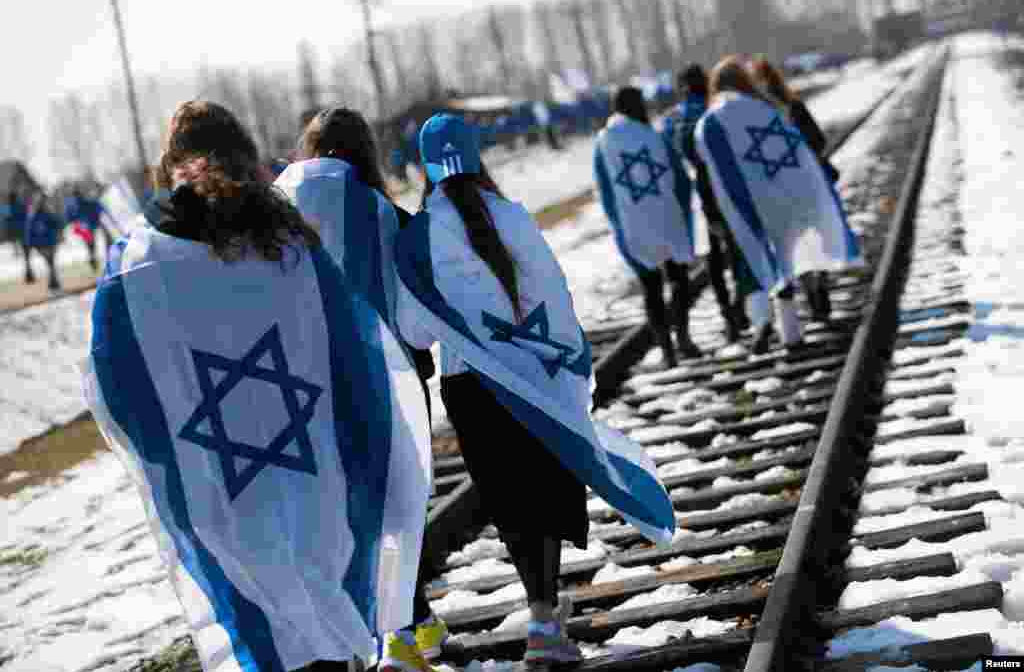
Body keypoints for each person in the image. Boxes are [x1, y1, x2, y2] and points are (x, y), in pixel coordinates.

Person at [82, 100, 433, 672]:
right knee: (331, 632)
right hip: (318, 485)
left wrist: (178, 463)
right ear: (244, 154)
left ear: (170, 162)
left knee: (267, 643)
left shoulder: (135, 261)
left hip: (218, 498)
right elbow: (354, 361)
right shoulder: (294, 247)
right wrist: (369, 471)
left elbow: (117, 391)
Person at [394, 114, 675, 668]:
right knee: (545, 492)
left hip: (473, 391)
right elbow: (556, 294)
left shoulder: (422, 234)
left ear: (425, 167)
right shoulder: (513, 217)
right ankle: (545, 618)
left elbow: (414, 329)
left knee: (511, 502)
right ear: (479, 156)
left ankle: (545, 620)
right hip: (539, 377)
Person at [274, 106, 445, 672]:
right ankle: (404, 630)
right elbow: (416, 300)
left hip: (301, 389)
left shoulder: (270, 214)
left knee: (337, 518)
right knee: (400, 505)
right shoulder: (381, 212)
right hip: (386, 381)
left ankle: (370, 635)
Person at [694, 57, 862, 353]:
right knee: (794, 256)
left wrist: (730, 211)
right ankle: (807, 307)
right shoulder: (766, 109)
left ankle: (786, 331)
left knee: (772, 263)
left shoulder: (714, 120)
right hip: (793, 194)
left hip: (759, 203)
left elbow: (715, 170)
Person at [593, 86, 702, 368]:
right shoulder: (655, 138)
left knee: (650, 288)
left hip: (633, 226)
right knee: (679, 279)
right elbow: (680, 180)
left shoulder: (604, 142)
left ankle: (667, 351)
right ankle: (684, 339)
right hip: (667, 217)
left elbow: (605, 192)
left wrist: (619, 224)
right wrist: (682, 216)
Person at [750, 57, 845, 323]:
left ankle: (811, 293)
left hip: (779, 190)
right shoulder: (793, 105)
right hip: (809, 184)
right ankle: (820, 289)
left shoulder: (755, 117)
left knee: (796, 244)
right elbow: (818, 140)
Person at [662, 64, 752, 342]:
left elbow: (667, 164)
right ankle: (741, 306)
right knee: (737, 252)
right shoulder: (716, 111)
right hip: (725, 192)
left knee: (712, 261)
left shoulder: (671, 120)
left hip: (694, 200)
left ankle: (727, 314)